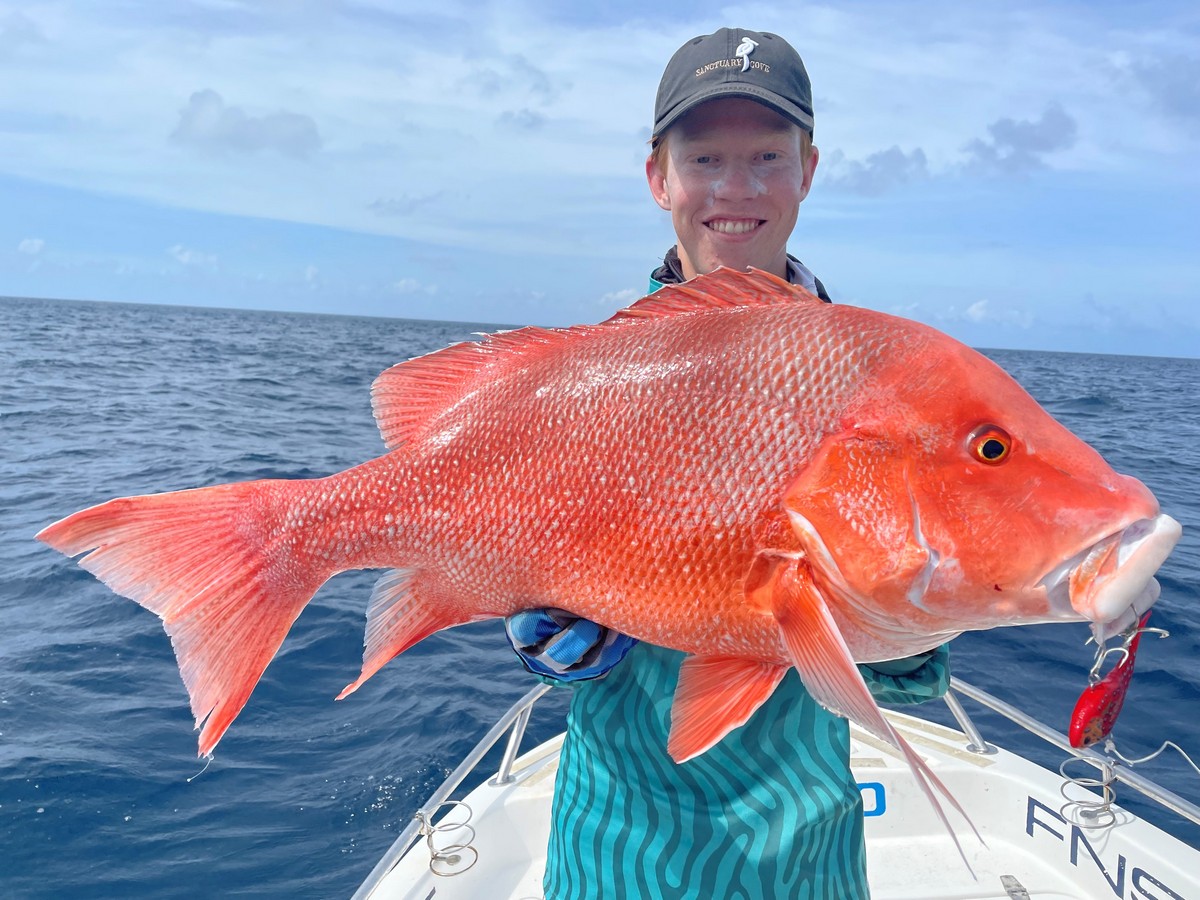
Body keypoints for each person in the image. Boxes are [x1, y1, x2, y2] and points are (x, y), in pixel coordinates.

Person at [506, 28, 951, 899]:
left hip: (807, 842)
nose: (735, 189)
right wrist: (539, 623)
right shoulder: (592, 376)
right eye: (705, 156)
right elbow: (509, 537)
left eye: (767, 157)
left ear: (808, 171)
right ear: (659, 177)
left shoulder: (877, 383)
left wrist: (914, 617)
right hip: (618, 837)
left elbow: (913, 683)